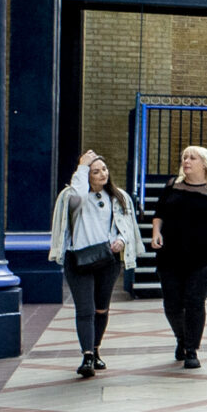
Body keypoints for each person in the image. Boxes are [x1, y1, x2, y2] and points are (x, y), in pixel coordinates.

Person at [149, 146, 207, 369]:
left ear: (205, 163)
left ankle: (191, 349)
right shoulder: (172, 186)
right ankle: (182, 338)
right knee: (171, 304)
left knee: (194, 301)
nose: (186, 161)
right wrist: (156, 232)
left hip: (204, 258)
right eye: (184, 157)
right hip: (170, 255)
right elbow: (159, 213)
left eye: (192, 158)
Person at [49, 150, 135, 379]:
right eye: (95, 171)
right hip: (78, 259)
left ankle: (96, 349)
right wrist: (82, 166)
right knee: (85, 309)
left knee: (101, 309)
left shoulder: (118, 197)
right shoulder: (75, 197)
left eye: (103, 170)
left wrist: (121, 240)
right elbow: (76, 194)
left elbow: (126, 226)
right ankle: (87, 356)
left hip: (107, 260)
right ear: (86, 175)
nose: (101, 174)